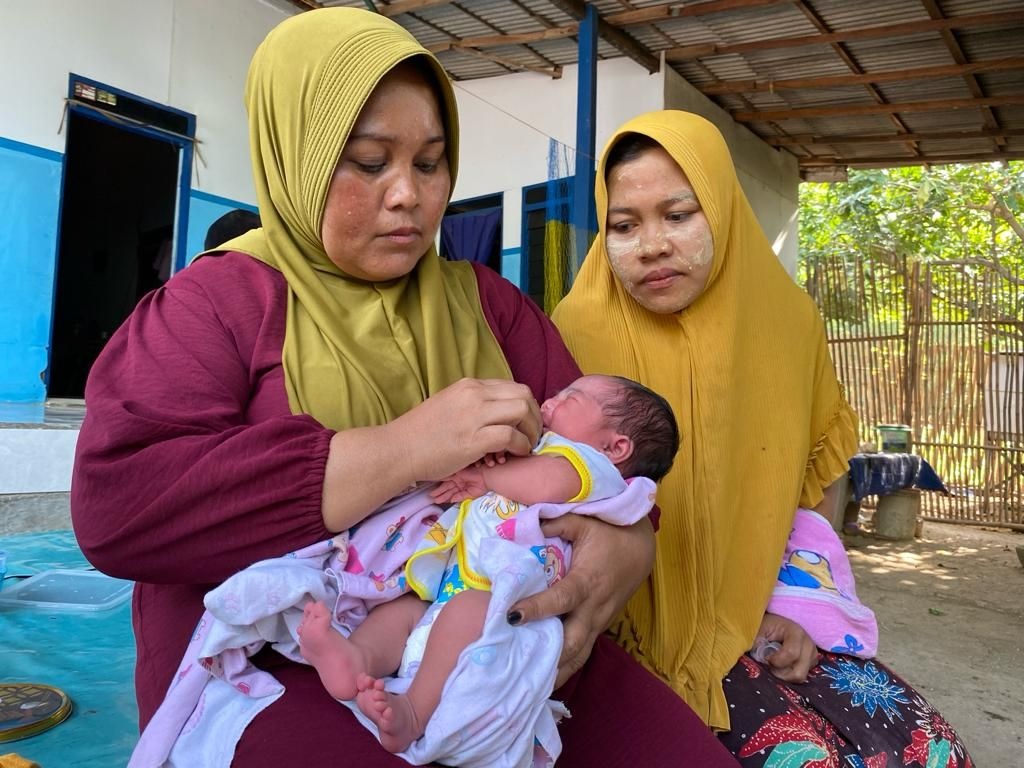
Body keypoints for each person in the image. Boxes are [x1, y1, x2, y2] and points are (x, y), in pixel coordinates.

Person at [70, 9, 737, 767]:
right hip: (287, 660)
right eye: (366, 161)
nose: (409, 196)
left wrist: (626, 546)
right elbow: (117, 506)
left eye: (430, 163)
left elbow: (602, 461)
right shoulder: (214, 305)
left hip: (490, 638)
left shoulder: (488, 305)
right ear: (297, 155)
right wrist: (401, 448)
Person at [546, 110, 974, 765]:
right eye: (624, 226)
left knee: (933, 750)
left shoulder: (786, 322)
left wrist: (802, 608)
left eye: (679, 215)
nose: (652, 244)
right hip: (618, 636)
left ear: (722, 209)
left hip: (763, 617)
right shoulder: (574, 331)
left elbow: (817, 475)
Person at [297, 373, 679, 764]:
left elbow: (548, 483)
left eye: (571, 398)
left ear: (615, 446)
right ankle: (356, 658)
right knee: (405, 613)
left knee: (463, 616)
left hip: (500, 601)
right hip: (454, 584)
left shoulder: (590, 467)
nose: (550, 401)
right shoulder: (545, 449)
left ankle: (414, 710)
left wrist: (486, 475)